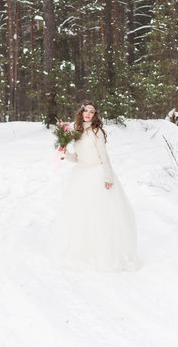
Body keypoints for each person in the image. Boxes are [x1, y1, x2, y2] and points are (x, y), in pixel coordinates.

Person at [48, 100, 139, 272]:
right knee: (81, 215)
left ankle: (104, 254)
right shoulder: (77, 131)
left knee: (100, 215)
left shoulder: (96, 132)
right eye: (86, 110)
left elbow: (104, 156)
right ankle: (83, 253)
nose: (88, 113)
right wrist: (64, 152)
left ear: (95, 114)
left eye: (92, 111)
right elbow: (77, 158)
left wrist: (108, 175)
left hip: (97, 174)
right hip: (81, 175)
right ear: (81, 112)